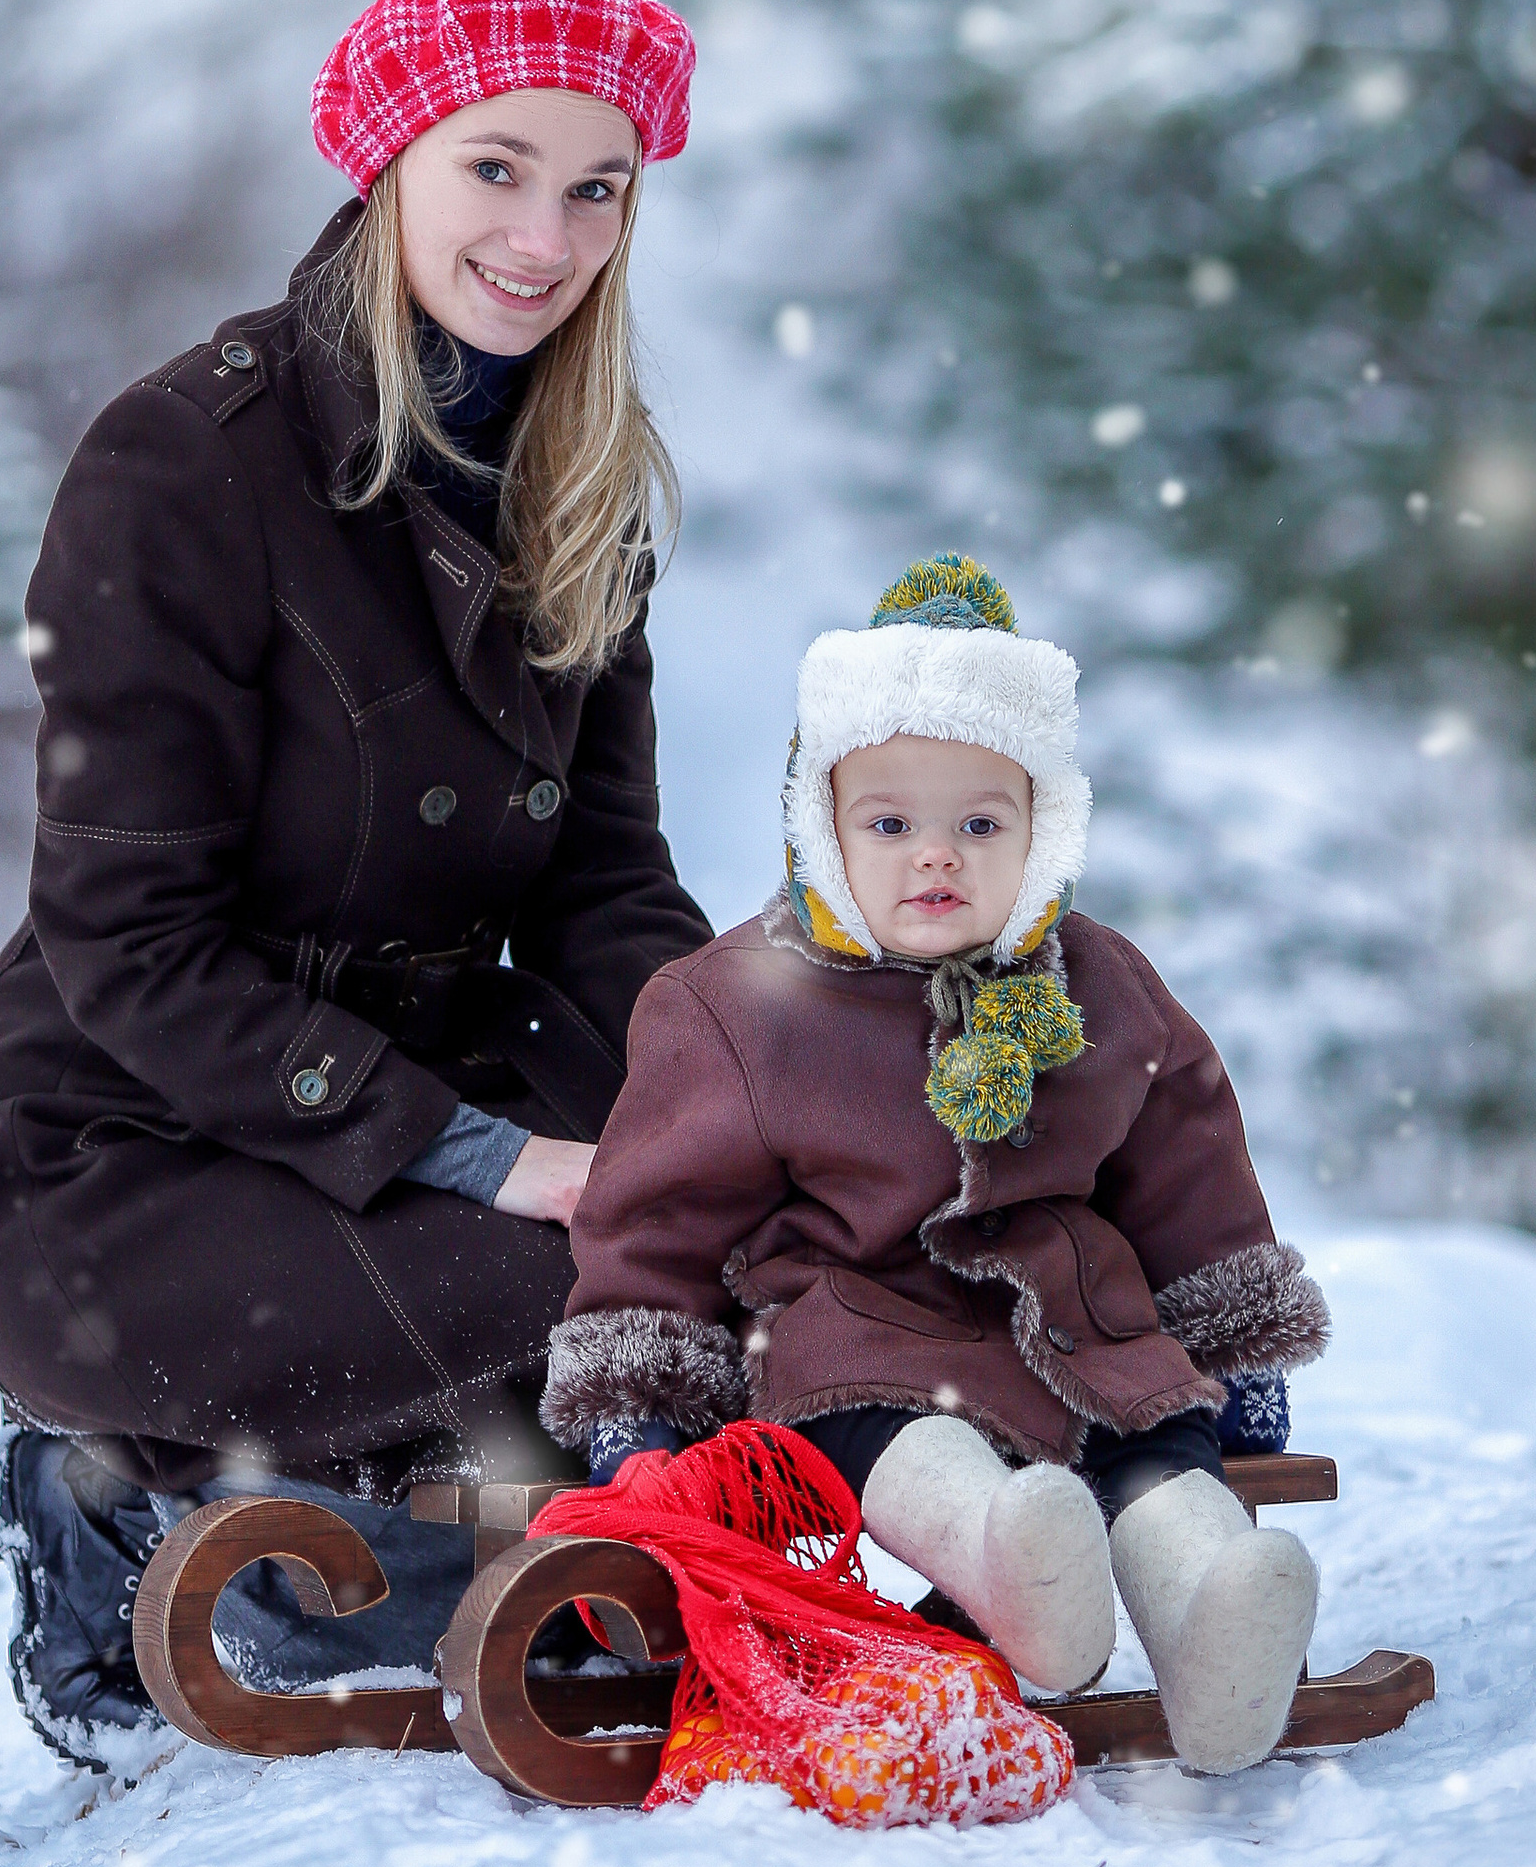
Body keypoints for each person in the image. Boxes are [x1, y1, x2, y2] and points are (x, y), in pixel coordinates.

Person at [0, 0, 712, 1755]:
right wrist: (480, 1153)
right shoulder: (185, 464)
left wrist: (748, 1090)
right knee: (612, 1291)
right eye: (496, 169)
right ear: (391, 159)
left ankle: (424, 1530)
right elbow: (128, 941)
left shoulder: (582, 484)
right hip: (129, 1146)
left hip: (438, 1073)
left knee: (744, 1247)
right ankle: (116, 1506)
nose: (546, 237)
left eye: (597, 190)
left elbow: (602, 889)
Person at [540, 551, 1330, 1775]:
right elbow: (660, 1215)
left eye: (979, 824)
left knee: (1159, 1451)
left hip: (1083, 1337)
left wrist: (1230, 1349)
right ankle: (1014, 1567)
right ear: (822, 829)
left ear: (1043, 832)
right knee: (907, 1447)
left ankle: (1216, 1615)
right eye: (890, 824)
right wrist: (640, 1393)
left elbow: (1191, 1177)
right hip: (858, 1342)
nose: (936, 858)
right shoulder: (741, 1003)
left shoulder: (1103, 984)